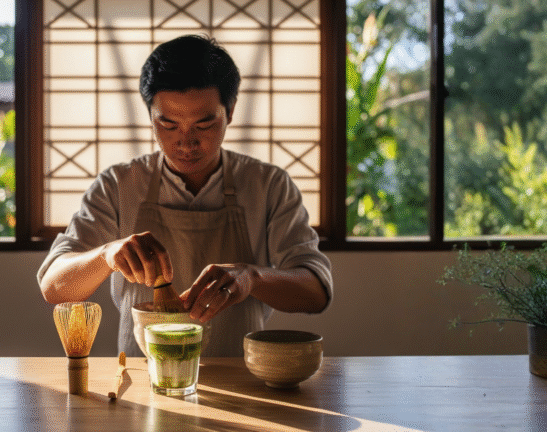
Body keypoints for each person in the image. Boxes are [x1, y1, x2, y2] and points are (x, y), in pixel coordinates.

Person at [38, 34, 333, 357]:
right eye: (168, 123)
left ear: (230, 111)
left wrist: (253, 277)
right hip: (143, 383)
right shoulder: (118, 185)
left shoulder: (267, 184)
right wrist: (107, 255)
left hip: (242, 379)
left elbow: (316, 291)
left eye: (204, 124)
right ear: (150, 115)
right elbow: (54, 286)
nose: (186, 142)